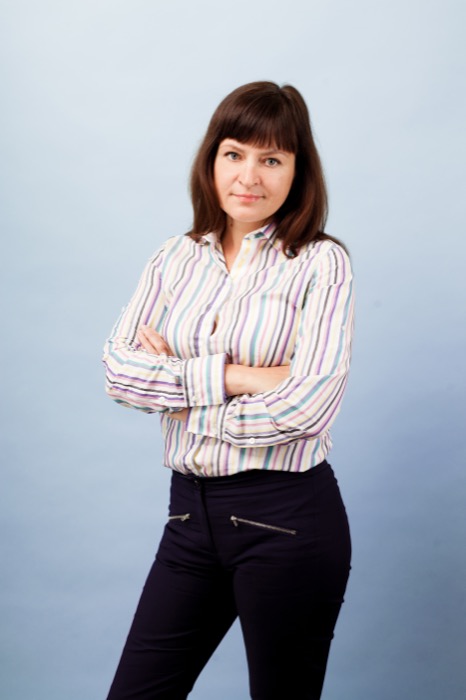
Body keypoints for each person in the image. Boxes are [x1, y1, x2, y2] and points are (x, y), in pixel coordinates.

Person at [102, 81, 354, 700]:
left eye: (272, 159)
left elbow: (307, 407)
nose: (249, 176)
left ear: (298, 170)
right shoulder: (174, 258)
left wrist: (178, 392)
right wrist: (236, 378)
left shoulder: (321, 264)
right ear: (211, 159)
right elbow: (118, 374)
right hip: (188, 517)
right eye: (234, 154)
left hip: (285, 520)